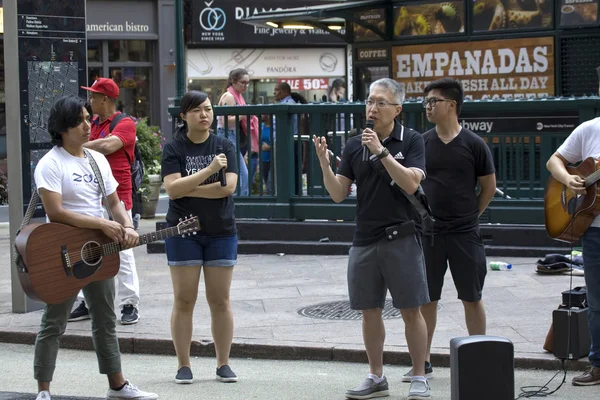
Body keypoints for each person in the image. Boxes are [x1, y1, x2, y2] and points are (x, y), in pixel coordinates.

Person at [32, 95, 157, 400]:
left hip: (96, 250)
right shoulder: (50, 163)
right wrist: (101, 224)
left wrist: (126, 226)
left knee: (105, 319)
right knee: (54, 322)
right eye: (80, 120)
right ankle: (43, 391)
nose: (88, 125)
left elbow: (114, 202)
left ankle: (117, 385)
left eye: (89, 118)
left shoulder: (97, 160)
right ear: (62, 127)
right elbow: (56, 211)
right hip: (62, 251)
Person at [313, 78, 430, 400]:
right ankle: (375, 375)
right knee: (369, 310)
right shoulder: (354, 145)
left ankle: (419, 374)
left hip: (401, 237)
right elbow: (338, 194)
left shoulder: (413, 140)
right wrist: (323, 163)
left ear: (397, 109)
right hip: (364, 238)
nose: (372, 108)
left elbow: (410, 184)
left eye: (380, 102)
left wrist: (381, 152)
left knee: (410, 309)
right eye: (369, 102)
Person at [413, 78, 496, 382]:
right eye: (426, 102)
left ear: (451, 105)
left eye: (432, 101)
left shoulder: (474, 144)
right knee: (427, 299)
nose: (427, 107)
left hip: (465, 233)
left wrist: (472, 214)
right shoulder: (421, 142)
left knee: (471, 296)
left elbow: (488, 186)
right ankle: (423, 361)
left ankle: (479, 357)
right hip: (430, 233)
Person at [161, 90, 239, 384]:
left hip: (220, 229)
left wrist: (186, 186)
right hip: (182, 232)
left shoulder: (225, 145)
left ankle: (223, 363)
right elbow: (171, 189)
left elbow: (227, 188)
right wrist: (208, 171)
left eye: (208, 109)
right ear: (183, 116)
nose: (204, 115)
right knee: (184, 300)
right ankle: (184, 365)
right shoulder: (174, 148)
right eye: (196, 111)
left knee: (220, 300)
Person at [68, 77, 141, 325]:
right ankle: (87, 302)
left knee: (124, 248)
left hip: (118, 198)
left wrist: (79, 144)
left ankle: (129, 303)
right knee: (88, 248)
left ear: (105, 99)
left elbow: (110, 145)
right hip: (91, 198)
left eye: (93, 96)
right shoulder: (93, 124)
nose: (89, 100)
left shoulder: (125, 123)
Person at [547, 115, 600, 386]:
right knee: (596, 304)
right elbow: (553, 160)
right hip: (594, 230)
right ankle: (598, 365)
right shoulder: (590, 128)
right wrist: (568, 178)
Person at [217, 68, 258, 196]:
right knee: (241, 174)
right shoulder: (229, 96)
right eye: (243, 82)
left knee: (237, 173)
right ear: (233, 82)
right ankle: (239, 205)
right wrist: (244, 114)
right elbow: (225, 121)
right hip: (228, 135)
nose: (246, 86)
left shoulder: (236, 96)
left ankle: (236, 205)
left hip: (231, 136)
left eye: (248, 83)